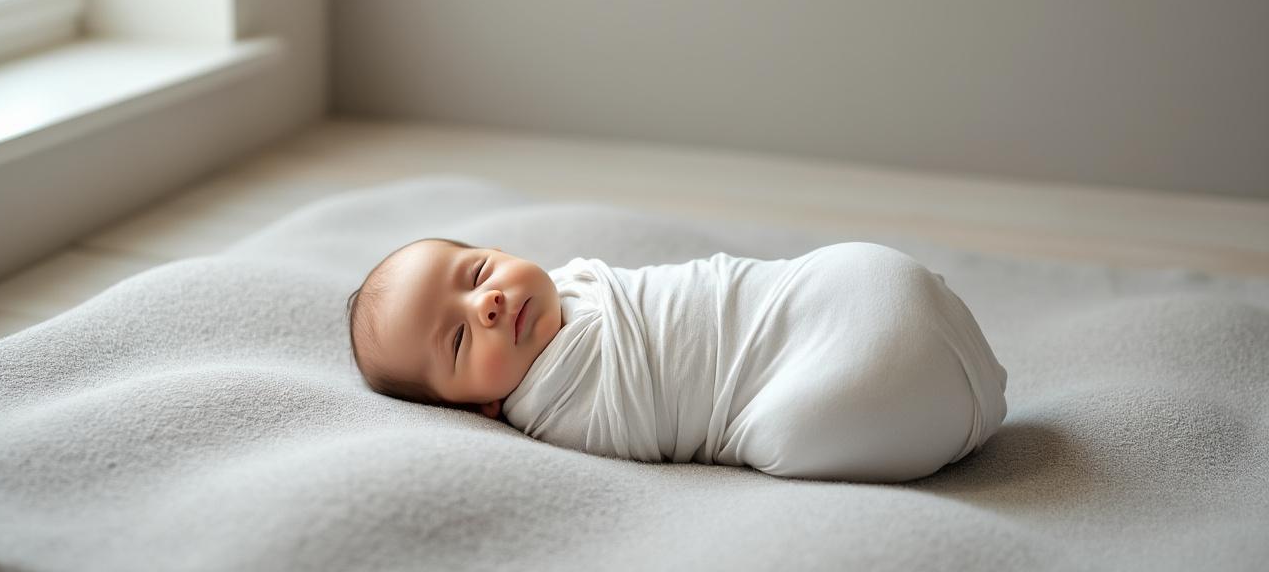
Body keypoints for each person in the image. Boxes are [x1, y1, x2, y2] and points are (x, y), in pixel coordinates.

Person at [347, 237, 1008, 482]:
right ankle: (946, 407)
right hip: (865, 388)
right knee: (786, 425)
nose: (487, 303)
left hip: (863, 287)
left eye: (479, 271)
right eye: (460, 340)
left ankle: (944, 403)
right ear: (482, 409)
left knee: (807, 289)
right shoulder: (554, 408)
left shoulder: (571, 279)